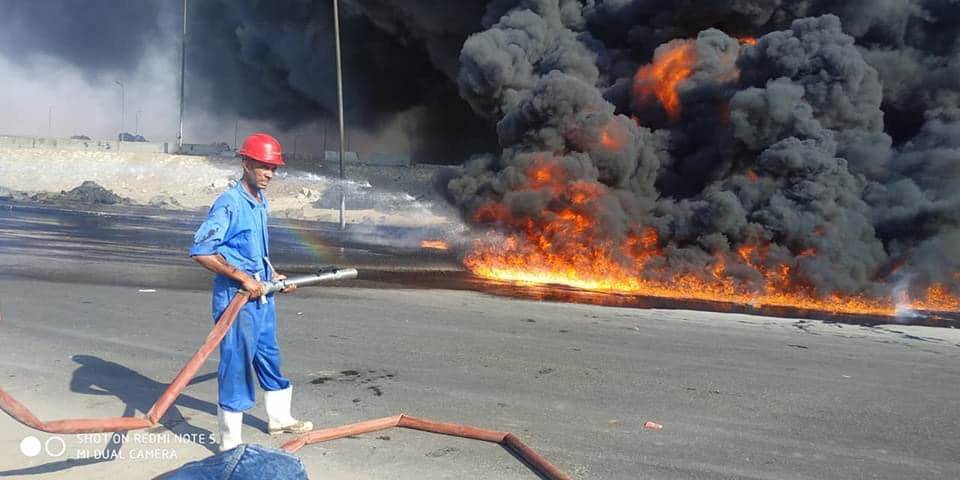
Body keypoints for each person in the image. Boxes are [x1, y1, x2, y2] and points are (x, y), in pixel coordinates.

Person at [190, 132, 313, 451]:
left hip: (262, 295)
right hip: (237, 298)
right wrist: (243, 278)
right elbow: (202, 251)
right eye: (263, 166)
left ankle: (279, 418)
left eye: (273, 168)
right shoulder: (229, 203)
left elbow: (256, 251)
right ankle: (230, 440)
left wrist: (274, 275)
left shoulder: (260, 201)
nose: (269, 173)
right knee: (236, 364)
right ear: (246, 163)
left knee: (268, 355)